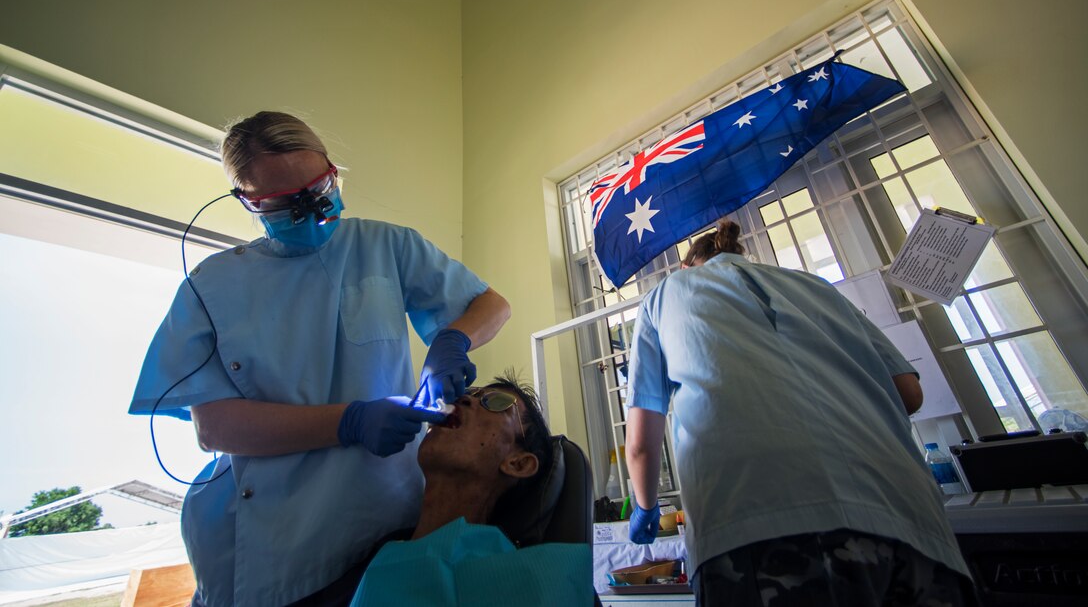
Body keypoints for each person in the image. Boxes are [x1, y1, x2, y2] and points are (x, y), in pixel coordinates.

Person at [128, 111, 511, 607]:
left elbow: (492, 306)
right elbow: (215, 429)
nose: (313, 210)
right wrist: (350, 421)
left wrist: (454, 339)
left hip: (386, 515)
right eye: (288, 203)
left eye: (320, 186)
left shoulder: (385, 246)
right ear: (248, 201)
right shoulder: (212, 286)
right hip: (278, 543)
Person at [624, 219, 976, 606]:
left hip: (762, 528)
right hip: (913, 522)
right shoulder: (815, 286)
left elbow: (641, 445)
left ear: (688, 266)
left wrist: (646, 507)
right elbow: (909, 394)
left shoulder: (664, 296)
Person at [290, 376, 592, 606]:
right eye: (469, 394)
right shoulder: (376, 558)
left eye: (495, 402)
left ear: (518, 463)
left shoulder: (542, 581)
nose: (463, 399)